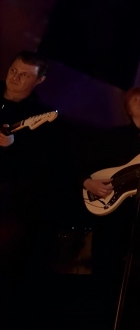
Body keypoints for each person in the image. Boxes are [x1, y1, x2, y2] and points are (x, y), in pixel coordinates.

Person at [81, 86, 140, 329]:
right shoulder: (112, 136)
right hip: (112, 208)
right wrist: (88, 182)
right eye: (136, 99)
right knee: (105, 264)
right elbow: (88, 164)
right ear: (128, 108)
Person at [0, 51, 55, 328]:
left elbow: (35, 168)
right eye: (13, 70)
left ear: (39, 80)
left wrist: (10, 147)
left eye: (24, 75)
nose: (15, 77)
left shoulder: (38, 117)